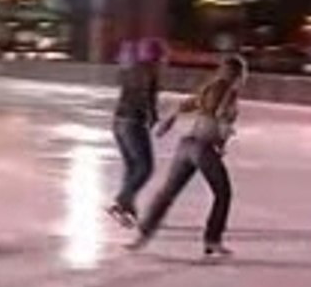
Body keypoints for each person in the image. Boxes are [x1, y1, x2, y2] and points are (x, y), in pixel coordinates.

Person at [127, 55, 248, 256]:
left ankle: (143, 235)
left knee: (167, 192)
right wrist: (223, 128)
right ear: (237, 73)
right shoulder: (227, 90)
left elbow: (187, 106)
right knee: (223, 193)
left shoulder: (210, 87)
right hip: (202, 148)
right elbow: (219, 115)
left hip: (187, 147)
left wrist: (169, 120)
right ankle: (212, 239)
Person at [106, 38, 165, 228]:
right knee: (145, 168)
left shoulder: (129, 70)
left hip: (118, 122)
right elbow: (146, 97)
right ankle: (122, 202)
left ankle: (128, 208)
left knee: (132, 167)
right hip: (132, 123)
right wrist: (152, 115)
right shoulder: (148, 73)